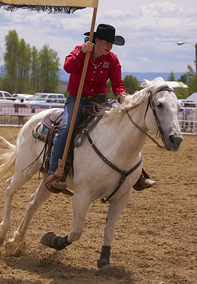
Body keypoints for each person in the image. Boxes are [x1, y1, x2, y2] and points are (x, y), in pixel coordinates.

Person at [45, 24, 156, 193]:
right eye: (107, 42)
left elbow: (117, 82)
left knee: (123, 127)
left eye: (111, 43)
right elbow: (68, 67)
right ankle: (54, 172)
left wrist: (121, 94)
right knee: (66, 129)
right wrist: (82, 53)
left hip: (100, 102)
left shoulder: (112, 59)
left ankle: (137, 174)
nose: (110, 46)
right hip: (77, 100)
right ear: (96, 40)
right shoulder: (80, 51)